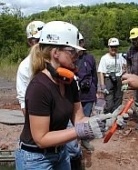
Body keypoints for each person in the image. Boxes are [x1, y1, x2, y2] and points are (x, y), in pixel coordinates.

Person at [14, 20, 120, 170]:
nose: (78, 54)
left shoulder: (69, 82)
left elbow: (80, 119)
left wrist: (106, 121)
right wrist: (80, 131)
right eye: (72, 51)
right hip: (36, 158)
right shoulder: (39, 87)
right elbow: (41, 139)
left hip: (61, 153)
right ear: (55, 53)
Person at [16, 20, 45, 115]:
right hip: (39, 113)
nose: (39, 44)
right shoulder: (25, 66)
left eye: (41, 39)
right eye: (36, 41)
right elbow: (23, 98)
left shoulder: (57, 60)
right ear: (29, 42)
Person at [76, 33, 98, 151]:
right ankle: (73, 141)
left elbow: (94, 76)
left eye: (80, 42)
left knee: (86, 118)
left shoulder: (90, 58)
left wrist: (96, 90)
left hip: (89, 93)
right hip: (75, 95)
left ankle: (84, 140)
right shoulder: (71, 58)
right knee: (74, 119)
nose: (79, 45)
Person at [97, 37, 127, 114]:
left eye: (116, 47)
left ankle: (115, 118)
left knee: (118, 100)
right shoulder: (104, 58)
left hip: (118, 79)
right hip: (108, 79)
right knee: (109, 102)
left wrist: (125, 82)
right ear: (109, 47)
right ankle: (107, 116)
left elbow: (124, 69)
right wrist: (102, 86)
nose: (114, 49)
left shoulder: (120, 57)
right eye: (112, 47)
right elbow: (101, 72)